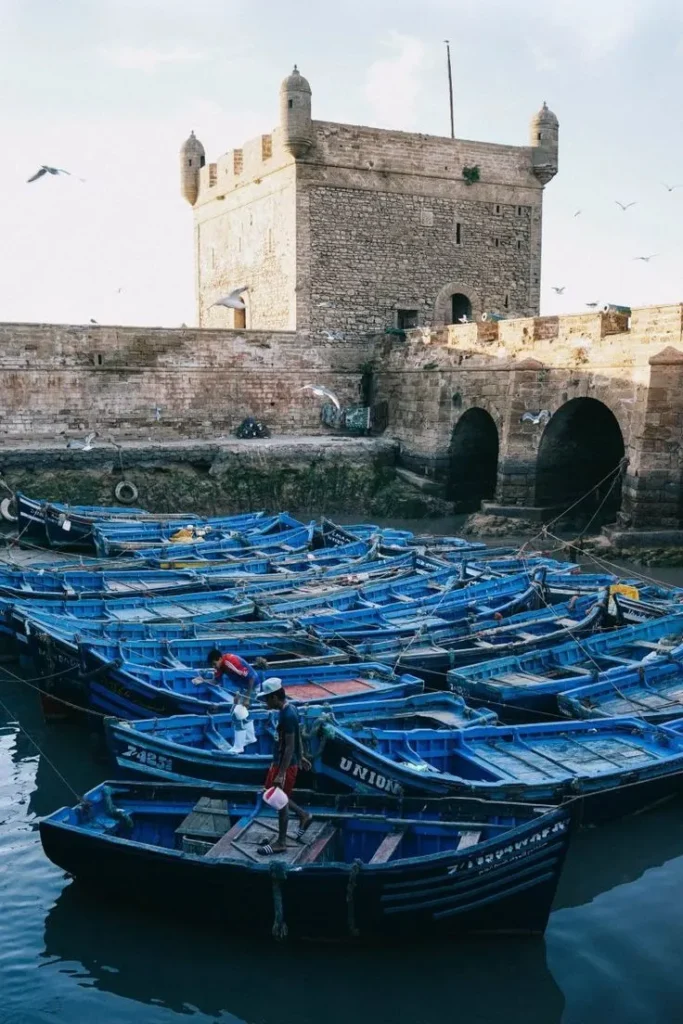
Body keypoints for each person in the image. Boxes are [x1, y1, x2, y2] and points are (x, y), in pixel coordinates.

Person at [257, 678, 312, 856]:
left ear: (274, 697)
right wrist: (301, 755)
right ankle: (303, 815)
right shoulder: (289, 709)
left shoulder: (287, 715)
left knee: (280, 801)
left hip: (285, 765)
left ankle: (281, 842)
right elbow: (297, 738)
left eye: (266, 699)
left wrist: (281, 774)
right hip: (281, 762)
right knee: (271, 792)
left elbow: (289, 746)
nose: (265, 702)